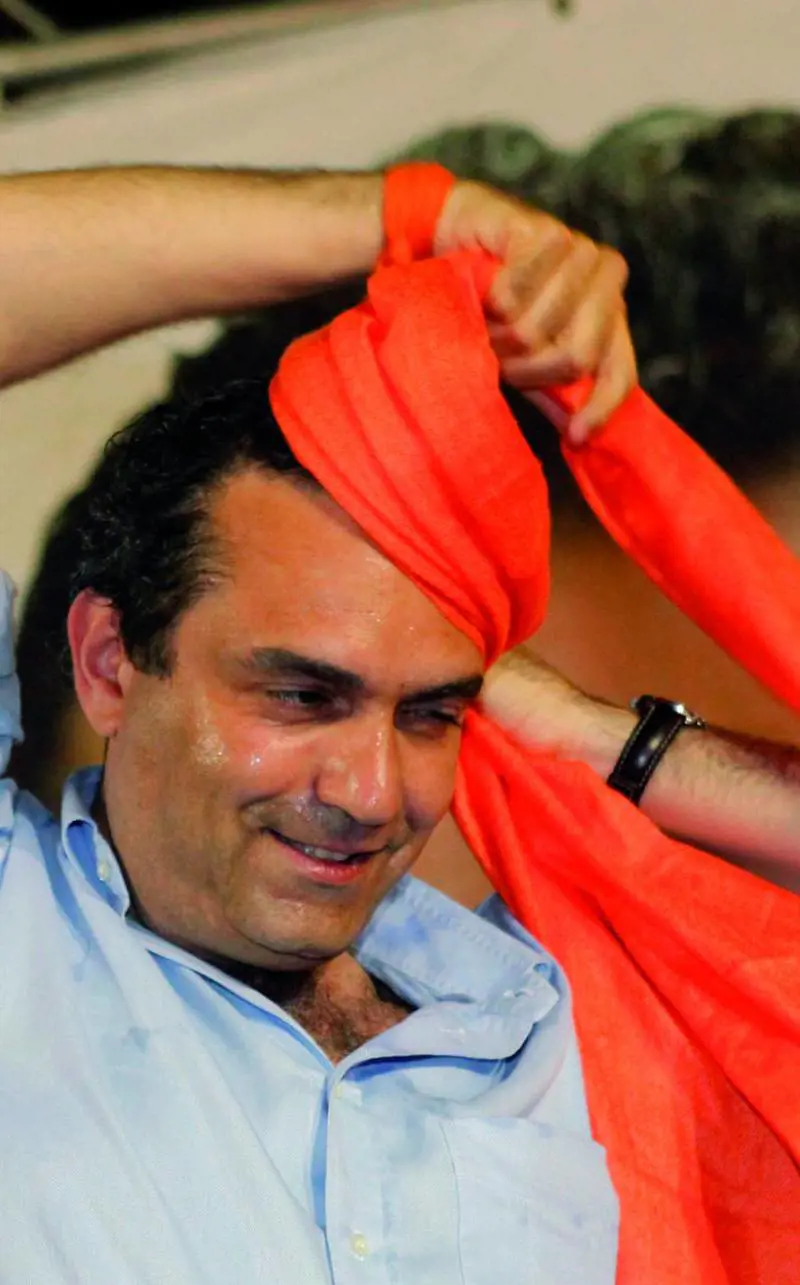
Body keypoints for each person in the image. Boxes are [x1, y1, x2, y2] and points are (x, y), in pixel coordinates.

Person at [0, 162, 636, 1284]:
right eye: (302, 697)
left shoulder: (543, 1026)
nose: (371, 792)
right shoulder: (22, 941)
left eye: (430, 712)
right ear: (108, 663)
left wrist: (618, 740)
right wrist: (410, 217)